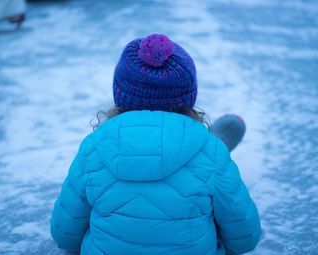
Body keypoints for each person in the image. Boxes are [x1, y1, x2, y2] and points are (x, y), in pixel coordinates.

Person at [50, 34, 261, 255]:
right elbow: (245, 237)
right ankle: (209, 140)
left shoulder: (93, 149)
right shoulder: (213, 153)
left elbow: (64, 234)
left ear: (120, 92)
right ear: (188, 96)